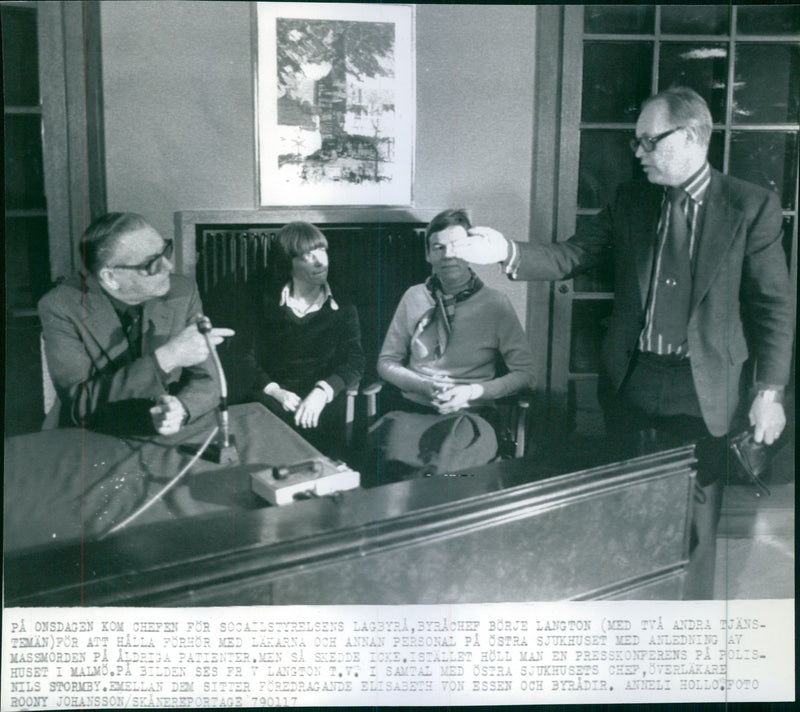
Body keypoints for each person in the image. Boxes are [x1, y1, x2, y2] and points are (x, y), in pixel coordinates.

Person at [448, 87, 794, 599]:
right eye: (637, 143)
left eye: (648, 142)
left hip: (703, 390)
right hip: (630, 380)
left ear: (693, 137)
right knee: (624, 510)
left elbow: (773, 307)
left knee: (694, 529)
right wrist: (507, 251)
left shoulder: (750, 206)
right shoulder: (630, 199)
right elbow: (571, 255)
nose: (638, 153)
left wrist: (770, 392)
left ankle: (686, 629)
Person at [373, 208, 535, 478]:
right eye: (438, 247)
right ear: (428, 254)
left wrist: (471, 392)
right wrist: (423, 386)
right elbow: (386, 362)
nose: (448, 255)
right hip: (413, 410)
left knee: (445, 471)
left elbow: (526, 374)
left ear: (472, 253)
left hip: (471, 414)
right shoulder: (413, 297)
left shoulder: (496, 304)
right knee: (389, 465)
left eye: (457, 247)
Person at [39, 212, 234, 435]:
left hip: (162, 431)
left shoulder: (182, 291)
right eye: (151, 263)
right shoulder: (61, 306)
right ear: (111, 277)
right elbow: (80, 404)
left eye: (166, 250)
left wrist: (182, 409)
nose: (168, 266)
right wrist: (166, 358)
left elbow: (209, 379)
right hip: (93, 434)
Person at [243, 221, 365, 455]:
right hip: (273, 397)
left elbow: (355, 360)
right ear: (289, 264)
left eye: (322, 251)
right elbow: (244, 356)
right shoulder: (264, 302)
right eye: (307, 256)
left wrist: (323, 392)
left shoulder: (344, 304)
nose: (321, 261)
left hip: (322, 401)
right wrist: (274, 391)